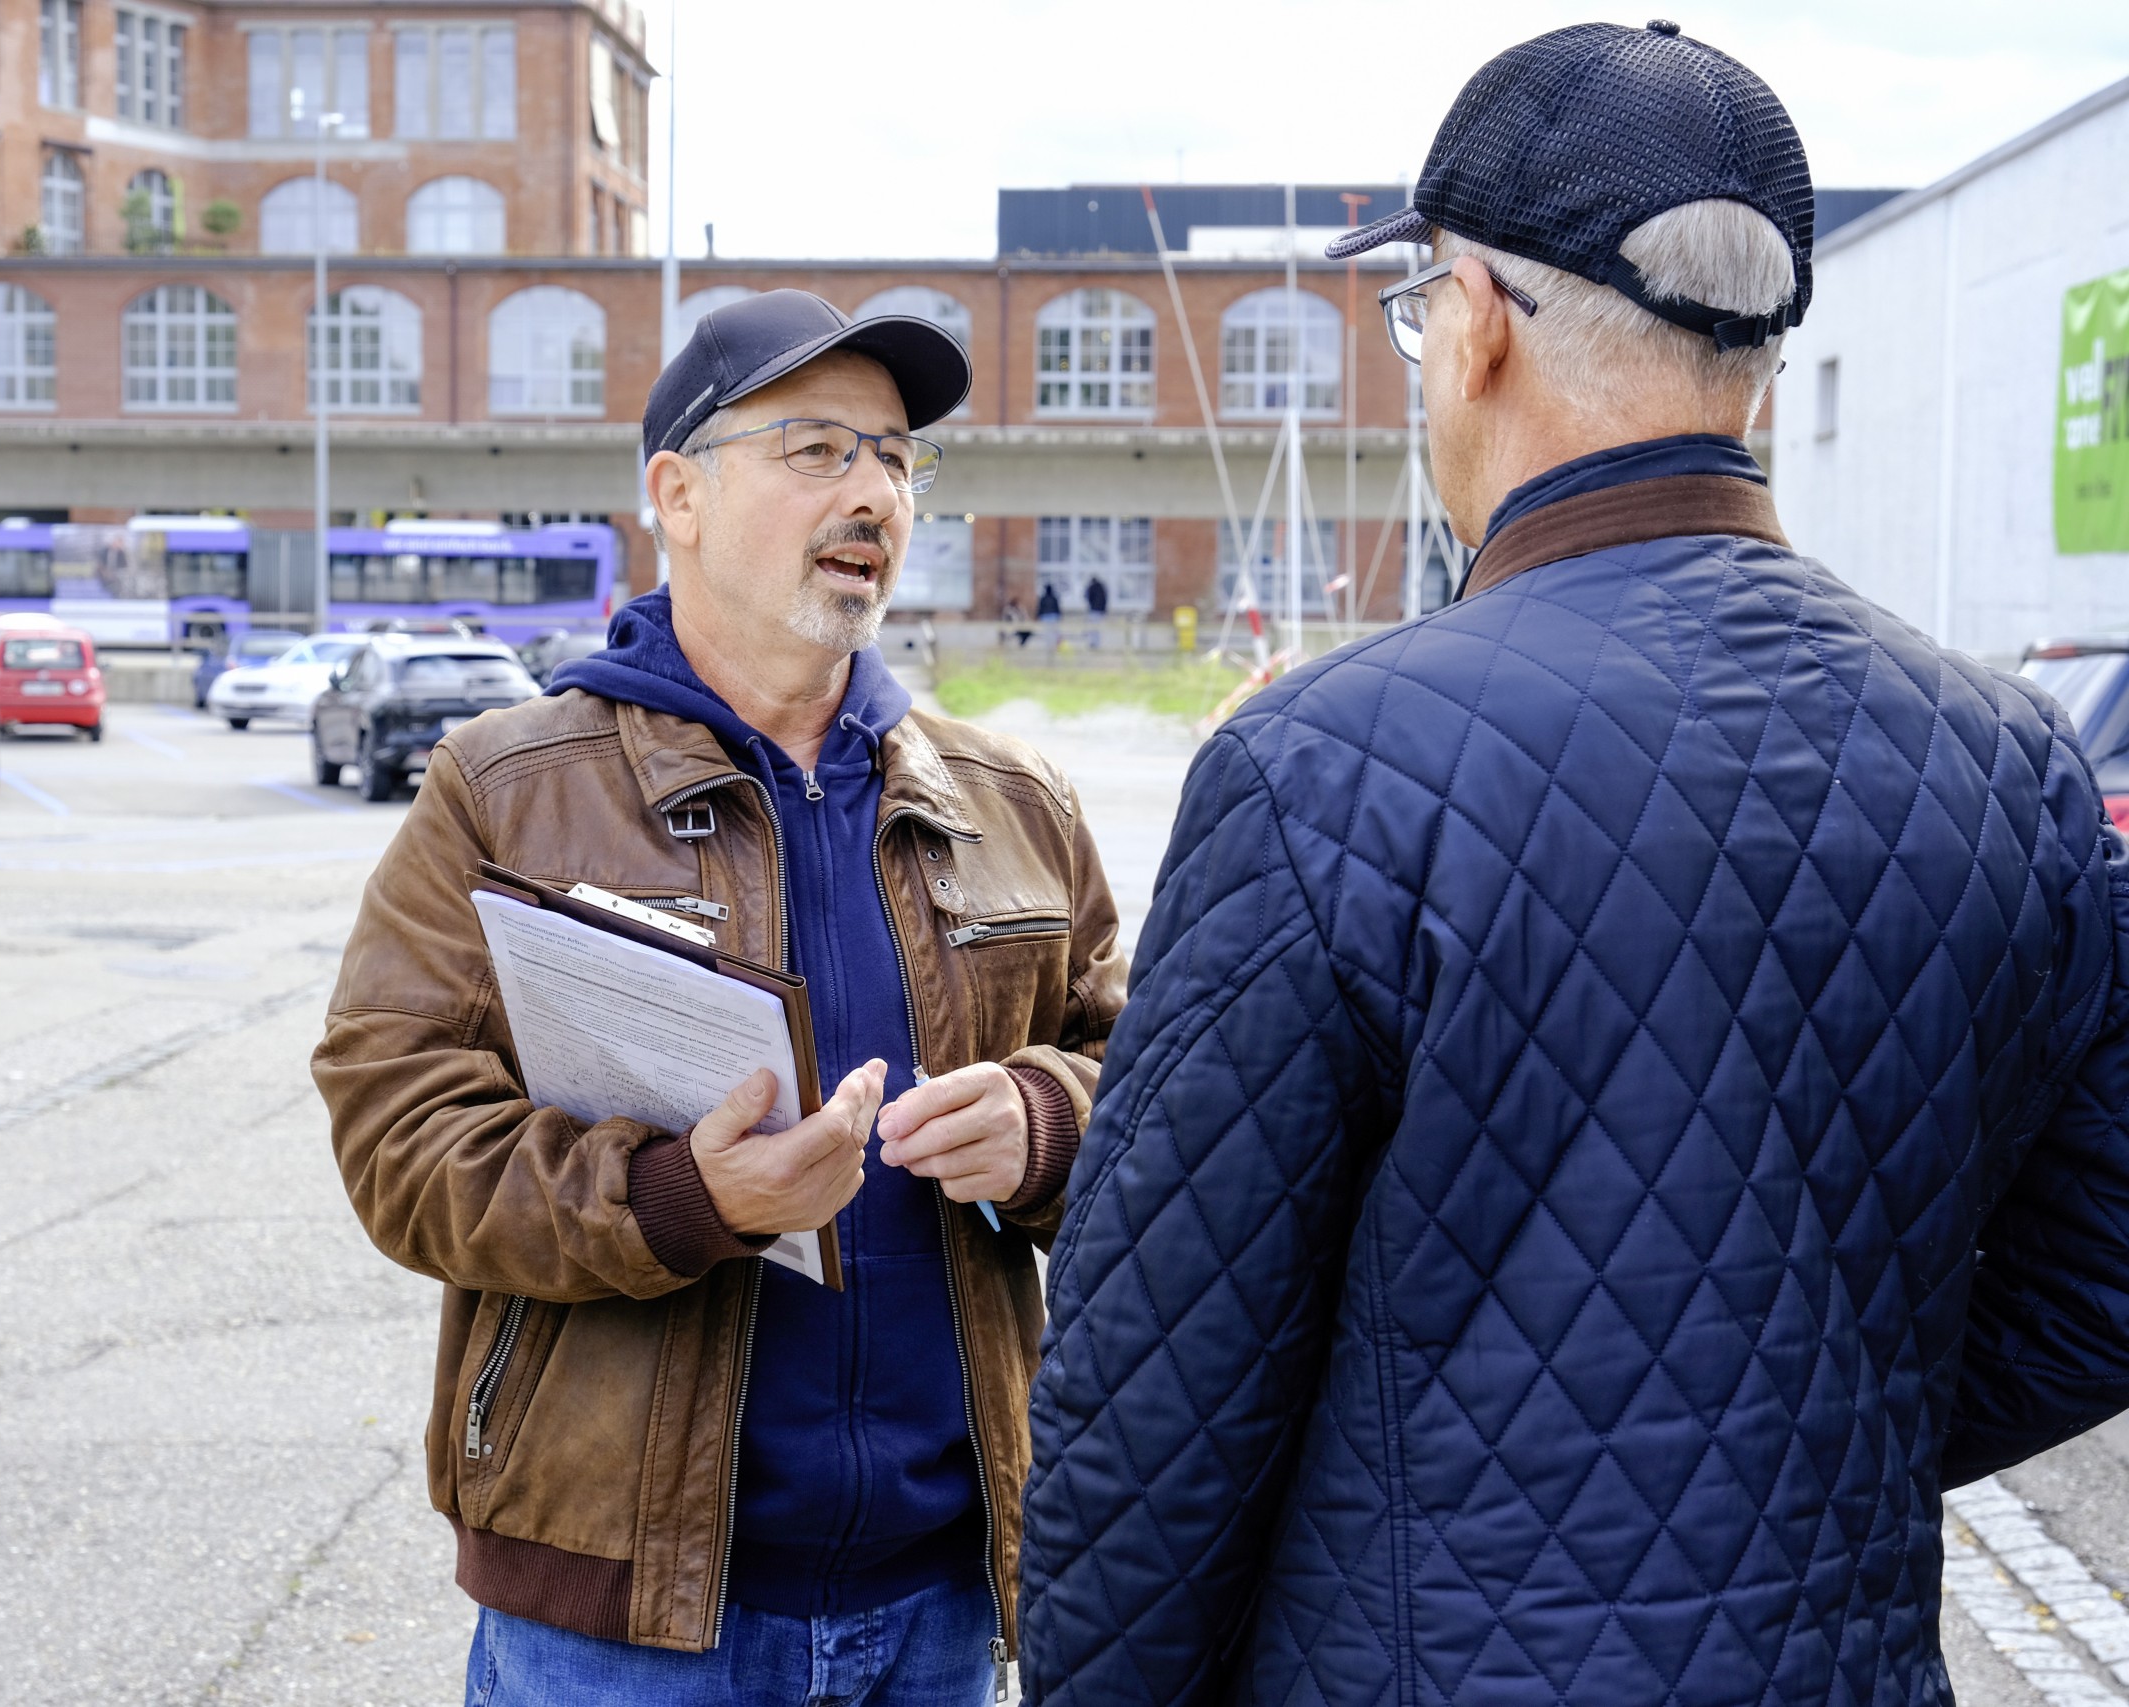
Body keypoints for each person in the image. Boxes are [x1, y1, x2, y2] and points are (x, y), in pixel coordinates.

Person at [1020, 22, 2129, 1706]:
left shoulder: (1327, 764)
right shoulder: (2013, 762)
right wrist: (1809, 1426)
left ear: (1472, 325)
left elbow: (1156, 1398)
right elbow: (2107, 1257)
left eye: (1416, 313)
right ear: (1752, 363)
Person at [315, 288, 1125, 1705]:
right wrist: (685, 1199)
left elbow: (1161, 1086)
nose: (872, 490)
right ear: (677, 495)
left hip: (940, 1602)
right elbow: (401, 1136)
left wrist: (1049, 1124)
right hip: (620, 1628)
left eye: (894, 457)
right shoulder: (508, 791)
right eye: (816, 450)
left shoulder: (1014, 804)